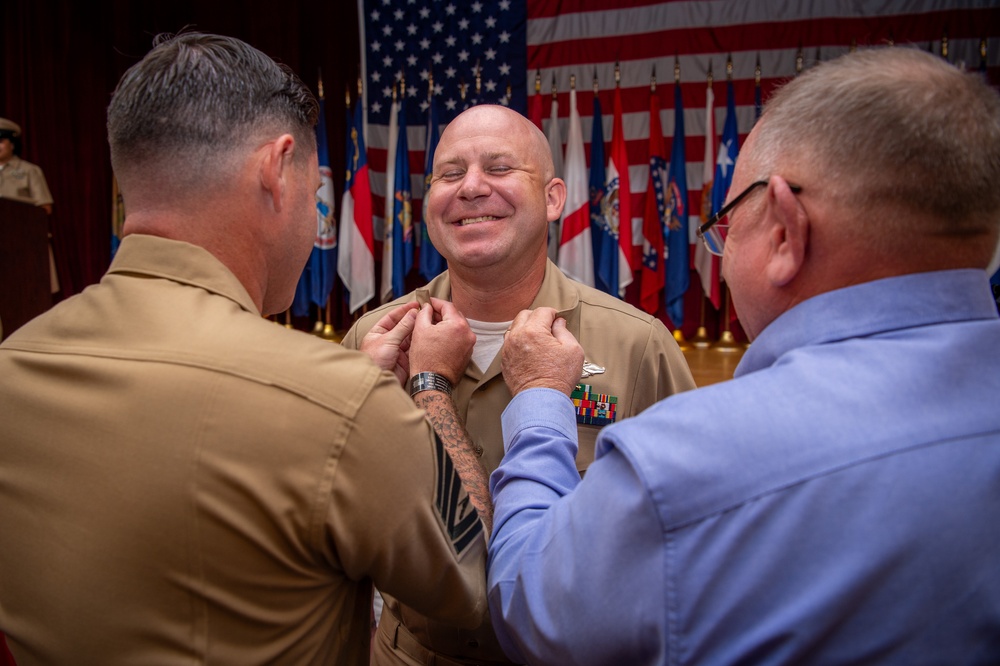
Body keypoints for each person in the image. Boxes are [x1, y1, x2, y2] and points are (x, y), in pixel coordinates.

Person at [489, 46, 1000, 664]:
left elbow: (528, 605)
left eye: (727, 221)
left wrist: (541, 400)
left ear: (785, 229)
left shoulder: (683, 465)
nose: (719, 253)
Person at [0, 32, 492, 665]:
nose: (317, 225)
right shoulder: (340, 401)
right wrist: (428, 388)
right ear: (276, 169)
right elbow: (470, 579)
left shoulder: (15, 362)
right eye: (317, 195)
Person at [341, 104, 696, 665]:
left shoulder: (638, 344)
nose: (472, 188)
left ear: (554, 198)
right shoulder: (374, 339)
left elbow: (688, 537)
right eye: (450, 174)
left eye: (500, 168)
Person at [0, 117, 59, 293]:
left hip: (23, 244)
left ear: (12, 144)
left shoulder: (28, 171)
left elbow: (45, 207)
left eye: (1, 141)